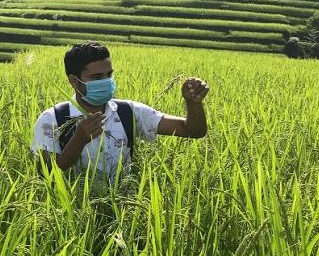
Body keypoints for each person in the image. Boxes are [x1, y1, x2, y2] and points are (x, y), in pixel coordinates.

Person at [31, 42, 209, 177]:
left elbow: (193, 131)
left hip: (121, 210)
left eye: (109, 74)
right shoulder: (52, 119)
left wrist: (193, 103)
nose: (106, 81)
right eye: (97, 77)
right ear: (74, 81)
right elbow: (46, 175)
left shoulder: (128, 112)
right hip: (74, 210)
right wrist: (78, 140)